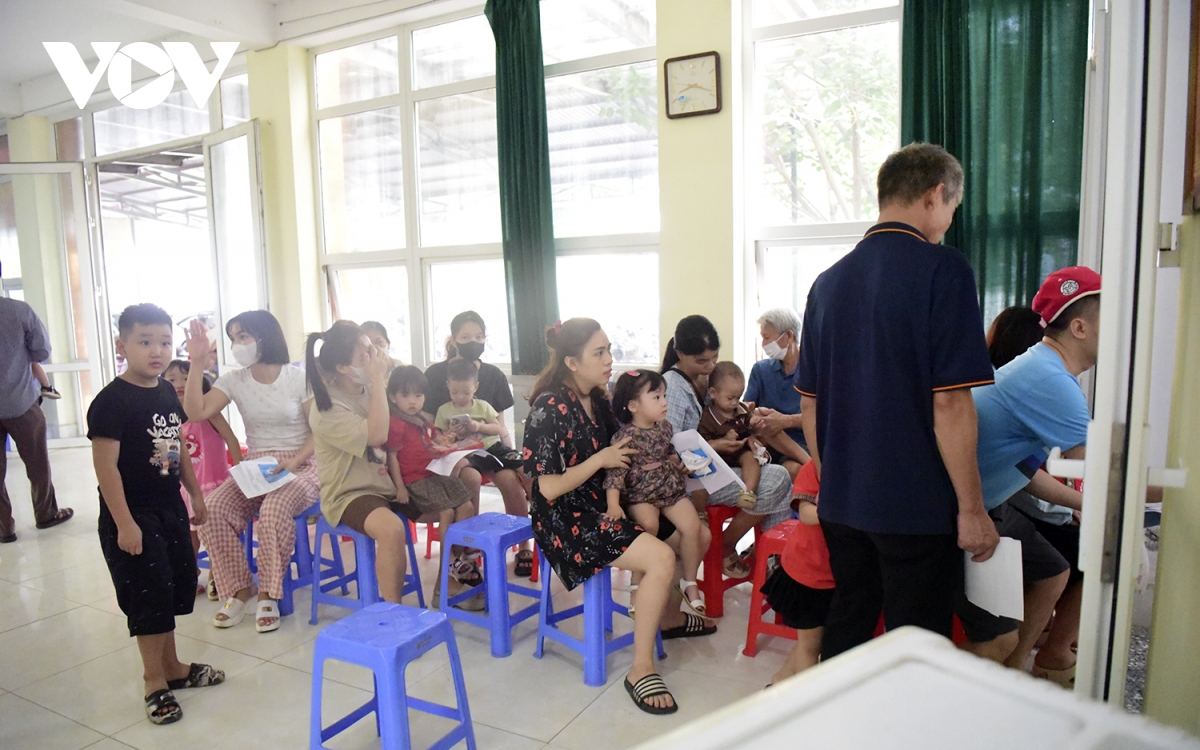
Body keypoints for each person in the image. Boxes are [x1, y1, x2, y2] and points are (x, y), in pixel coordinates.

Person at [796, 142, 1000, 659]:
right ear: (935, 196)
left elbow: (811, 405)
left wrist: (831, 476)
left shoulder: (826, 284)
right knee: (917, 644)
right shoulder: (943, 270)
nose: (950, 221)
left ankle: (842, 727)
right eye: (952, 208)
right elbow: (951, 404)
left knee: (851, 620)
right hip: (915, 504)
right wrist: (972, 509)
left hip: (842, 502)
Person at [523, 318, 680, 714]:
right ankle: (640, 668)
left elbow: (626, 449)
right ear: (572, 362)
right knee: (661, 556)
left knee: (682, 523)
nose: (610, 359)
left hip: (598, 502)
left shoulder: (599, 398)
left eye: (609, 349)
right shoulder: (549, 408)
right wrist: (601, 460)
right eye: (600, 353)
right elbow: (550, 488)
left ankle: (664, 609)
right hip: (564, 519)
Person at [88, 304, 224, 725]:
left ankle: (175, 668)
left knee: (170, 590)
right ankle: (154, 681)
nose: (156, 351)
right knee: (147, 598)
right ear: (122, 345)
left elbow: (174, 446)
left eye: (164, 342)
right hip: (133, 514)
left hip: (168, 509)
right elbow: (105, 467)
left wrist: (194, 494)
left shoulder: (165, 391)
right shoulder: (110, 402)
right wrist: (126, 524)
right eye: (144, 342)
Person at [969, 268, 1102, 680]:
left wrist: (1088, 503)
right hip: (952, 508)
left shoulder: (1044, 368)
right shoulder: (1051, 382)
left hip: (986, 501)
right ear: (1079, 327)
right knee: (996, 640)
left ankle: (1020, 675)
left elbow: (1023, 468)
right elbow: (1113, 474)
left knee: (1053, 570)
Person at [182, 310, 320, 633]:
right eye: (233, 338)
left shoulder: (298, 378)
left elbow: (319, 432)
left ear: (265, 336)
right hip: (256, 465)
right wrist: (197, 362)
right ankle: (239, 589)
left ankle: (269, 593)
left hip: (301, 464)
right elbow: (195, 411)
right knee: (212, 509)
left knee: (273, 510)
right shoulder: (233, 380)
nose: (237, 344)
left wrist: (295, 460)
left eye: (243, 336)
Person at [661, 315, 794, 580]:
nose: (710, 366)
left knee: (776, 483)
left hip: (712, 465)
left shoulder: (703, 379)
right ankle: (728, 547)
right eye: (702, 361)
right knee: (779, 478)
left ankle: (774, 565)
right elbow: (668, 448)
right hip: (690, 480)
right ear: (680, 353)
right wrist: (716, 445)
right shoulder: (673, 386)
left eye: (714, 357)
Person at [305, 321, 414, 606]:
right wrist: (379, 380)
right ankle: (393, 611)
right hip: (350, 492)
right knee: (392, 529)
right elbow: (377, 434)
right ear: (342, 367)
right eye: (365, 352)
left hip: (385, 484)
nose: (374, 355)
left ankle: (451, 586)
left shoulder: (369, 389)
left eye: (374, 347)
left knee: (456, 500)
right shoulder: (327, 407)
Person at [425, 311, 533, 575]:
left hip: (490, 446)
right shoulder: (437, 374)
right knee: (470, 478)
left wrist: (507, 451)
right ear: (453, 339)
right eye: (465, 336)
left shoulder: (493, 375)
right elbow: (430, 425)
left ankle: (524, 545)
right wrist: (443, 441)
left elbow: (500, 424)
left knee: (509, 479)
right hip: (457, 454)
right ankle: (468, 547)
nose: (473, 341)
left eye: (478, 336)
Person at [605, 370, 707, 617]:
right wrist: (613, 504)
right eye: (656, 397)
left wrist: (682, 463)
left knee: (693, 526)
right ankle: (636, 585)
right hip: (640, 492)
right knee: (648, 525)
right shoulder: (623, 437)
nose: (664, 403)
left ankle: (689, 582)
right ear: (633, 406)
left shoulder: (665, 428)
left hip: (668, 487)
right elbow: (615, 472)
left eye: (664, 396)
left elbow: (668, 453)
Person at [384, 365, 485, 610]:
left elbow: (431, 443)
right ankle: (451, 565)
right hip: (415, 482)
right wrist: (400, 487)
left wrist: (446, 440)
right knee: (448, 512)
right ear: (393, 397)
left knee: (466, 506)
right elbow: (392, 457)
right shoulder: (396, 423)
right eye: (406, 396)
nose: (413, 401)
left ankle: (462, 559)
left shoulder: (424, 419)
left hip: (433, 474)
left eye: (418, 396)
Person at [0, 265, 73, 543]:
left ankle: (4, 528)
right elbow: (41, 350)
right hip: (20, 401)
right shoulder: (19, 311)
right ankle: (45, 514)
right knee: (37, 464)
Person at [163, 360, 241, 597]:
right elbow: (167, 461)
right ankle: (188, 576)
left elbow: (232, 440)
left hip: (215, 486)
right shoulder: (167, 417)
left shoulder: (207, 411)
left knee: (216, 534)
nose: (180, 384)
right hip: (186, 490)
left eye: (187, 379)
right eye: (172, 378)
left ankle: (218, 577)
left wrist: (240, 473)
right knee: (189, 537)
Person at [761, 459, 831, 685]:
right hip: (808, 573)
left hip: (831, 573)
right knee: (810, 646)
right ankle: (804, 704)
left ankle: (779, 680)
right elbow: (806, 513)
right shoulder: (817, 466)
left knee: (813, 640)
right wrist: (841, 510)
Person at [434, 357, 525, 493]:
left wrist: (478, 427)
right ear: (448, 385)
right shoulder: (444, 410)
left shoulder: (482, 406)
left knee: (524, 466)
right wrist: (452, 434)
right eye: (454, 392)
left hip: (493, 448)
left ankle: (535, 503)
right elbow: (442, 438)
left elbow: (497, 428)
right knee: (458, 465)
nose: (460, 397)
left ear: (475, 387)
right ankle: (453, 495)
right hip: (469, 453)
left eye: (466, 392)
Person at [744, 308, 811, 480]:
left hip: (807, 441)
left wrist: (784, 421)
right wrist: (753, 423)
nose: (763, 344)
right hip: (769, 443)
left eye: (767, 337)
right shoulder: (760, 370)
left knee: (795, 470)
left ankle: (812, 466)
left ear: (788, 336)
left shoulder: (814, 371)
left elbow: (826, 416)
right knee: (760, 415)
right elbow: (745, 410)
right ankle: (813, 467)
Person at [699, 362, 768, 511]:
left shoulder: (741, 409)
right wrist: (722, 441)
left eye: (738, 397)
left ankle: (748, 493)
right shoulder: (707, 417)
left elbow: (750, 427)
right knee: (700, 472)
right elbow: (703, 443)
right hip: (716, 459)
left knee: (751, 459)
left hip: (739, 453)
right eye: (730, 398)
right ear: (713, 393)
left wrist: (754, 423)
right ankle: (699, 511)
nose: (735, 402)